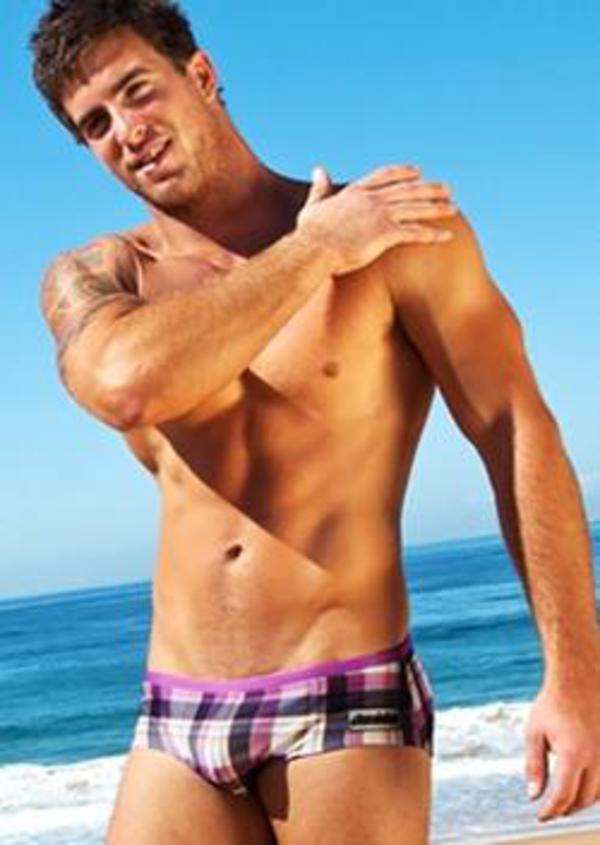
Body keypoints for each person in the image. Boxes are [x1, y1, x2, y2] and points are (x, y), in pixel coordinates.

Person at [31, 1, 600, 843]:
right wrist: (315, 250)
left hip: (345, 693)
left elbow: (513, 426)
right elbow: (126, 385)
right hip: (176, 710)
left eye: (137, 90)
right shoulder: (99, 275)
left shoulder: (396, 234)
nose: (127, 131)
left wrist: (576, 676)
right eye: (96, 124)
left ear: (201, 74)